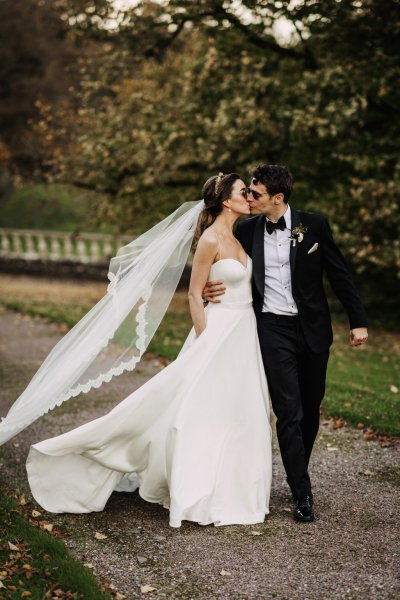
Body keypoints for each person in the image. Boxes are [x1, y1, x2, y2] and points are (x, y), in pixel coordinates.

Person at [24, 173, 273, 528]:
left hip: (243, 332)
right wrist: (204, 341)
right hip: (218, 334)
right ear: (224, 200)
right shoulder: (209, 239)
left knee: (240, 409)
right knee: (198, 409)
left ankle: (237, 489)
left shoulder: (239, 237)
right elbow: (193, 293)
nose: (249, 197)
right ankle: (195, 489)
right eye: (243, 192)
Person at [203, 164, 369, 523]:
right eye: (247, 190)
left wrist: (358, 321)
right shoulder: (246, 230)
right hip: (271, 329)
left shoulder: (314, 225)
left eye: (256, 193)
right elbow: (219, 260)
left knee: (310, 408)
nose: (249, 196)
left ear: (277, 198)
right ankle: (302, 493)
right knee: (288, 411)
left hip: (312, 330)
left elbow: (339, 275)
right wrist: (205, 287)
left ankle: (298, 470)